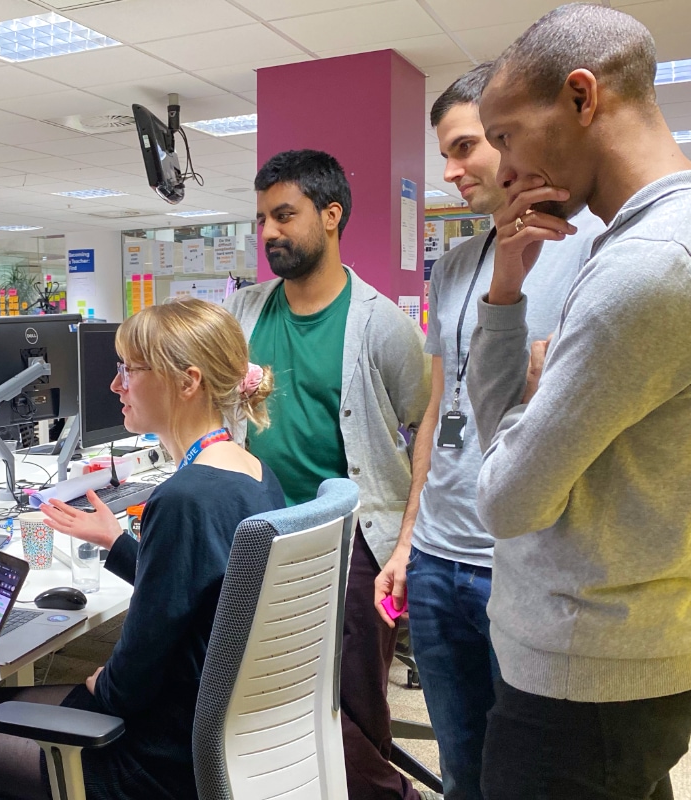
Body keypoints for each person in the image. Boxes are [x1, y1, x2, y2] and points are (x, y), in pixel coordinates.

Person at [0, 298, 286, 800]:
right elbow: (194, 595)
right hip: (217, 736)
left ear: (187, 382)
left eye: (130, 371)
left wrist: (104, 684)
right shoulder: (248, 471)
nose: (116, 385)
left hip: (154, 757)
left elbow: (133, 674)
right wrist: (117, 542)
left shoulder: (185, 499)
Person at [470, 5, 691, 798]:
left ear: (581, 96)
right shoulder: (644, 245)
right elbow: (513, 452)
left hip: (584, 678)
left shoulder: (647, 268)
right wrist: (506, 295)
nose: (501, 170)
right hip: (620, 659)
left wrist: (535, 399)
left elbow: (504, 496)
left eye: (504, 135)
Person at [372, 63, 603, 800]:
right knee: (461, 761)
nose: (450, 170)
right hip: (438, 560)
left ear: (511, 135)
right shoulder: (456, 267)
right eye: (445, 151)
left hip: (526, 561)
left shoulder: (593, 249)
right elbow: (437, 412)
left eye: (467, 146)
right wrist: (408, 540)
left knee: (534, 772)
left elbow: (569, 419)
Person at [224, 149, 431, 800]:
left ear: (331, 215)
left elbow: (433, 424)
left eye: (284, 215)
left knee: (356, 708)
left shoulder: (381, 324)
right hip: (261, 533)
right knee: (269, 699)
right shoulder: (245, 312)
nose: (269, 233)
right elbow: (238, 405)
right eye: (261, 219)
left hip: (359, 548)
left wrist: (409, 539)